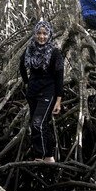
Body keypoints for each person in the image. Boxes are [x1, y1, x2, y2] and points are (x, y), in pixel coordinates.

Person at [20, 20, 63, 163]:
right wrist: (28, 83)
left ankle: (44, 157)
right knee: (38, 124)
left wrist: (58, 100)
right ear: (35, 34)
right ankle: (44, 156)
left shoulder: (55, 52)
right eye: (39, 33)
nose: (42, 36)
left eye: (45, 33)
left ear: (50, 34)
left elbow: (59, 77)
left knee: (38, 123)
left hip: (48, 92)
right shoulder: (29, 50)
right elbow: (21, 67)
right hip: (32, 93)